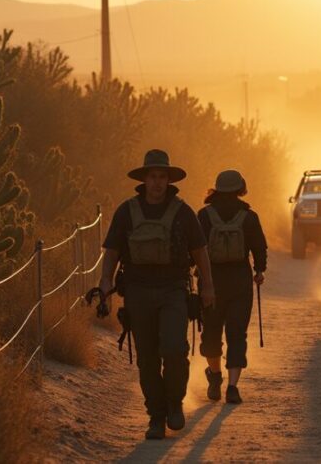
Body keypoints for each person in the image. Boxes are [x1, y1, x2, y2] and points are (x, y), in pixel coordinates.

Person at [97, 149, 216, 440]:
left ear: (169, 180)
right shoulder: (127, 211)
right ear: (144, 179)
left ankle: (174, 402)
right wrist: (104, 284)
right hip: (137, 292)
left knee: (174, 350)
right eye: (153, 176)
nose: (158, 183)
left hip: (173, 290)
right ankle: (156, 416)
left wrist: (207, 286)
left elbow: (200, 252)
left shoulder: (182, 211)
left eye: (162, 177)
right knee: (147, 358)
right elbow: (112, 251)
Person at [197, 170, 268, 404]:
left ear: (216, 189)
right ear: (240, 189)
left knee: (211, 332)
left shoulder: (204, 216)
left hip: (211, 281)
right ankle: (233, 387)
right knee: (237, 333)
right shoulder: (249, 217)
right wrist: (259, 270)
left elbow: (194, 248)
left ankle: (215, 376)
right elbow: (259, 247)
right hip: (240, 280)